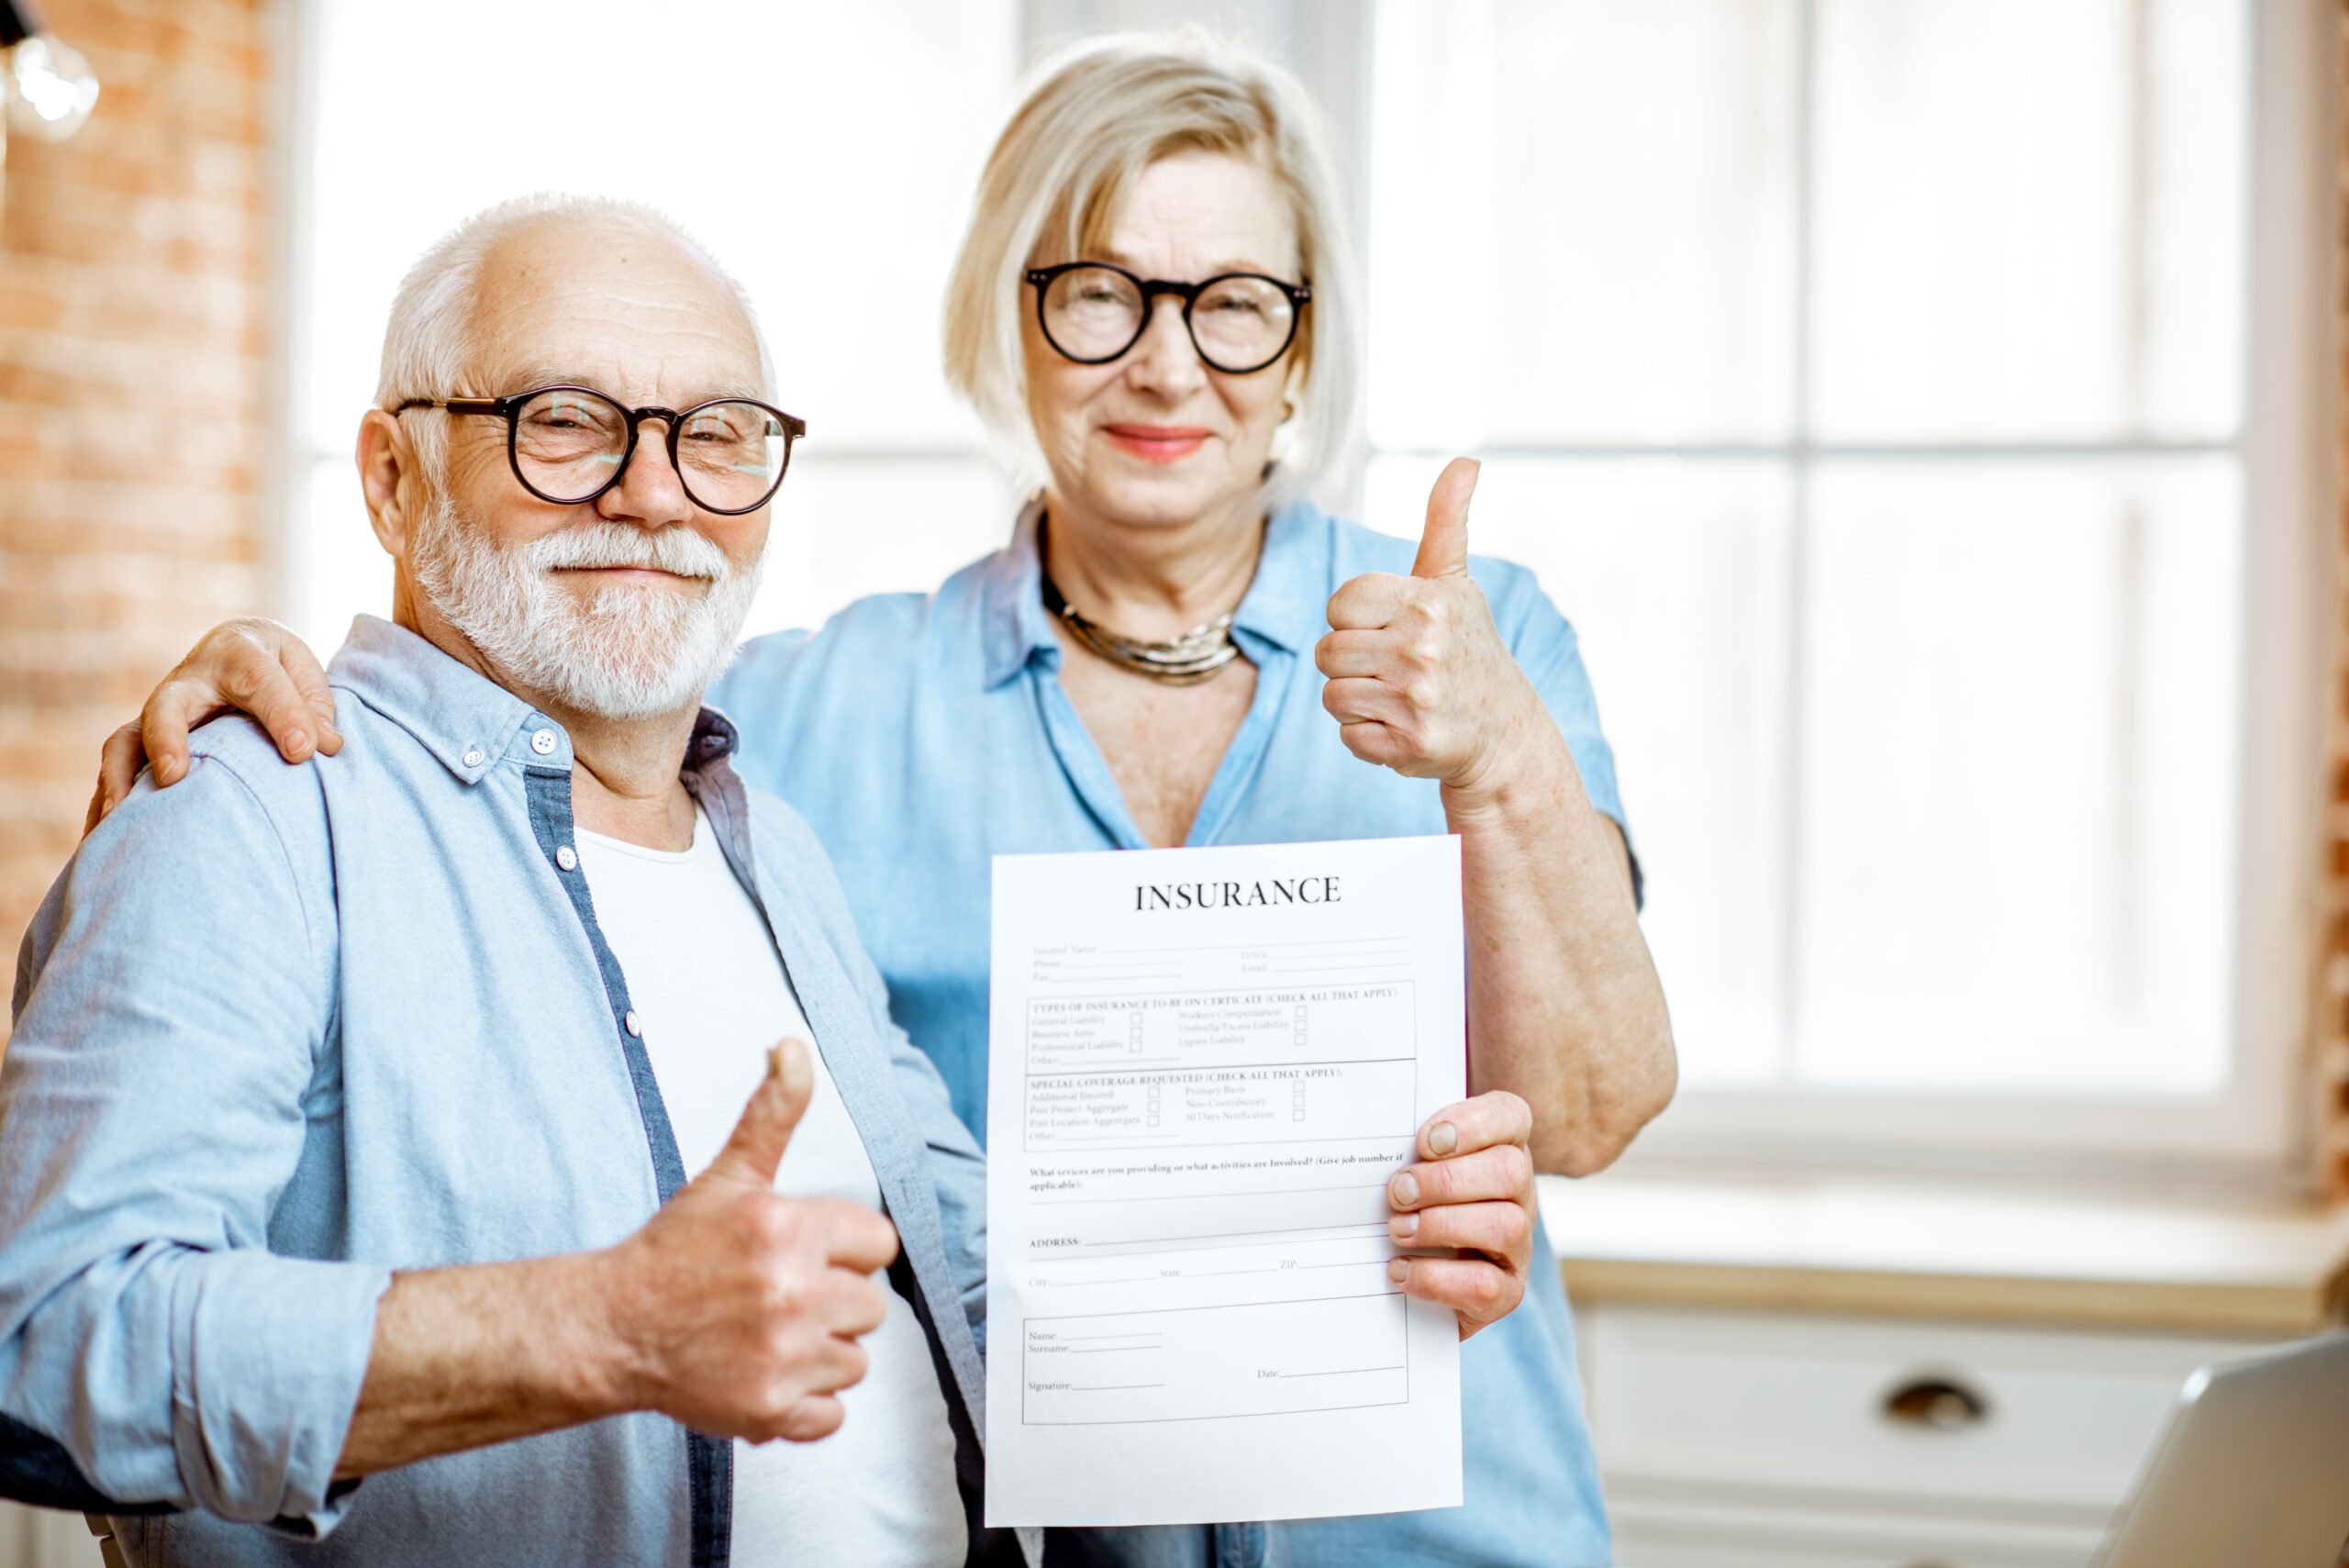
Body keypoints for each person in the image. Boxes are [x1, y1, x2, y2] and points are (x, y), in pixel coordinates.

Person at [92, 32, 1673, 1568]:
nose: (1168, 357)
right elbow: (548, 678)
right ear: (1012, 321)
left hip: (1441, 1529)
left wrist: (1498, 754)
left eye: (1237, 303)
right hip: (1081, 1530)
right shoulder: (798, 715)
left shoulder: (1487, 638)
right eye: (1100, 292)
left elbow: (1592, 1111)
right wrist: (267, 680)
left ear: (1304, 349)